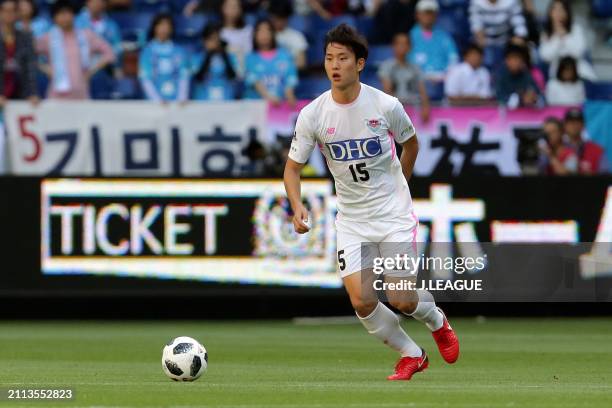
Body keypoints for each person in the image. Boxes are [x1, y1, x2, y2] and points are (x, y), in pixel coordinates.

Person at [283, 23, 459, 381]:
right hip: (351, 219)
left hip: (392, 214)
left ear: (359, 64)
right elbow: (292, 170)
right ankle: (413, 354)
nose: (335, 65)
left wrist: (401, 186)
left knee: (403, 300)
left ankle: (438, 321)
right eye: (330, 58)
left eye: (343, 58)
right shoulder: (313, 114)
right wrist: (296, 205)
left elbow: (410, 144)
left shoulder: (385, 105)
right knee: (362, 301)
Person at [36, 0, 115, 99]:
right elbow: (28, 55)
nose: (64, 17)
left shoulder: (86, 36)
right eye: (60, 14)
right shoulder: (49, 38)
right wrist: (45, 68)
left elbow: (109, 53)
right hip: (56, 94)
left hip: (81, 93)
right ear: (54, 18)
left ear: (73, 15)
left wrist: (91, 71)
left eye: (67, 13)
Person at [244, 18, 297, 106]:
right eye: (260, 31)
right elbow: (253, 80)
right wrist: (268, 97)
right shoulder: (250, 58)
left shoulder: (285, 55)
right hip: (256, 107)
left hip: (281, 106)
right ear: (254, 35)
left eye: (267, 30)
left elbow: (291, 78)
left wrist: (289, 93)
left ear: (273, 33)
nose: (264, 34)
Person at [378, 32, 430, 122]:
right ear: (393, 46)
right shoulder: (386, 66)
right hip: (395, 110)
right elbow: (387, 91)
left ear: (410, 47)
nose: (402, 46)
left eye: (405, 44)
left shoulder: (416, 68)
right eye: (399, 43)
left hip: (414, 108)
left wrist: (425, 108)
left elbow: (423, 91)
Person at [539, 0, 596, 81]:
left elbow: (578, 52)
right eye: (554, 9)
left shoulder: (575, 29)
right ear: (550, 13)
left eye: (561, 9)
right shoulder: (546, 34)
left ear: (567, 12)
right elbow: (545, 57)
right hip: (557, 76)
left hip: (579, 73)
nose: (558, 13)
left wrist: (564, 37)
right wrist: (558, 38)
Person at [139, 13, 190, 102]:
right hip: (155, 104)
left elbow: (184, 76)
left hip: (177, 102)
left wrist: (182, 98)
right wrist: (156, 100)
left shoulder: (180, 51)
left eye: (167, 25)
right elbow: (145, 78)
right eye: (161, 25)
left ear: (171, 28)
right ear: (154, 27)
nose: (164, 28)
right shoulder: (147, 52)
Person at [408, 0, 458, 82]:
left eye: (431, 13)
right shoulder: (409, 36)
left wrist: (445, 75)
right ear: (417, 15)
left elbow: (453, 58)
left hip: (442, 80)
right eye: (425, 13)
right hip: (417, 82)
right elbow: (406, 61)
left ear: (436, 15)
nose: (428, 16)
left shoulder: (445, 36)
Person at [469, 0, 527, 69]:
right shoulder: (477, 2)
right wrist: (479, 36)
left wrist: (518, 37)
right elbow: (476, 24)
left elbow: (519, 23)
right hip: (486, 42)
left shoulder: (511, 2)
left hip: (506, 41)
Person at [0, 0, 37, 106]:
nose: (9, 14)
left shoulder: (26, 37)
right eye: (5, 10)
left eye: (12, 11)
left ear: (18, 13)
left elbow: (30, 67)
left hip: (20, 93)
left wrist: (32, 93)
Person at [191, 21, 238, 101]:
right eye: (211, 39)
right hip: (203, 101)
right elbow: (198, 77)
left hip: (225, 100)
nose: (215, 42)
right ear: (204, 41)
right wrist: (209, 54)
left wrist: (224, 54)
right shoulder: (196, 58)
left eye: (216, 39)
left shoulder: (229, 57)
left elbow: (233, 76)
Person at [495, 43, 542, 108]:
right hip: (505, 115)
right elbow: (499, 99)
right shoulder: (501, 76)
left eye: (517, 59)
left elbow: (539, 95)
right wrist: (520, 99)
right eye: (511, 59)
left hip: (526, 115)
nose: (514, 62)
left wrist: (534, 97)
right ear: (506, 61)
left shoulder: (527, 75)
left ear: (522, 61)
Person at [564, 108, 606, 174]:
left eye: (578, 122)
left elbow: (605, 175)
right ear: (565, 125)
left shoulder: (596, 150)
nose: (574, 125)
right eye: (571, 122)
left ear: (583, 125)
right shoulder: (558, 148)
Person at [269, 0, 308, 71]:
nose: (279, 21)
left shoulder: (297, 36)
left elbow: (301, 63)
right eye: (276, 18)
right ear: (271, 17)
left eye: (282, 17)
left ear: (287, 17)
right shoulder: (265, 36)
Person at [218, 0, 252, 74]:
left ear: (241, 10)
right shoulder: (217, 32)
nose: (232, 10)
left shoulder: (248, 31)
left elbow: (250, 55)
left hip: (245, 71)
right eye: (229, 6)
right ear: (222, 8)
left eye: (235, 6)